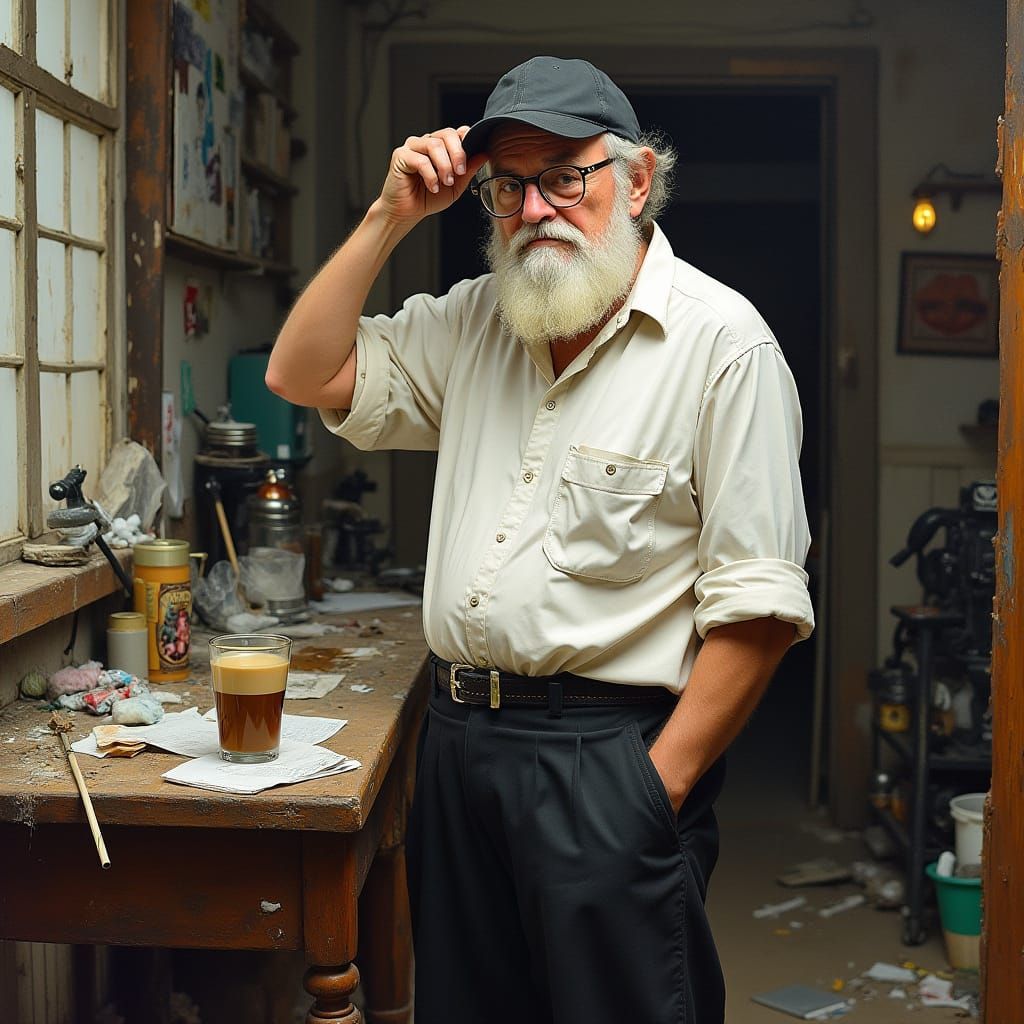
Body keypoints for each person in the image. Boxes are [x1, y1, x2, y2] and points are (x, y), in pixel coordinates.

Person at [267, 55, 814, 1024]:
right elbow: (303, 373)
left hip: (608, 756)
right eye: (508, 186)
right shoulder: (479, 320)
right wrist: (388, 215)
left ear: (636, 180)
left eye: (567, 176)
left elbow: (758, 612)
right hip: (462, 746)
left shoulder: (724, 346)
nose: (535, 209)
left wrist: (650, 794)